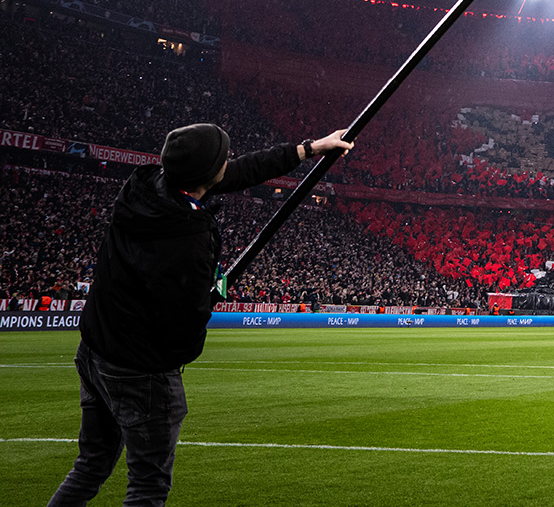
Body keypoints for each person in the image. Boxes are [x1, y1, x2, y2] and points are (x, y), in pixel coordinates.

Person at [46, 123, 351, 507]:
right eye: (224, 156)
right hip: (141, 371)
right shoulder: (187, 242)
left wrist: (309, 149)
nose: (230, 159)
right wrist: (211, 296)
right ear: (207, 174)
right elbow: (184, 330)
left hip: (94, 352)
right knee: (147, 485)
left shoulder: (146, 186)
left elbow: (242, 171)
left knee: (90, 464)